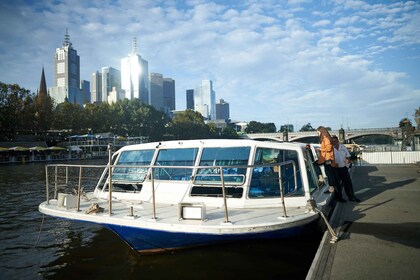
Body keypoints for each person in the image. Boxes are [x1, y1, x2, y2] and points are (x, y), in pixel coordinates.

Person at [316, 126, 346, 202]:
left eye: (318, 132)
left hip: (327, 159)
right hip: (328, 160)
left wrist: (320, 149)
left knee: (330, 175)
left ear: (321, 131)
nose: (317, 133)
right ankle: (334, 191)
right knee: (331, 176)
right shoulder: (327, 138)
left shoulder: (326, 138)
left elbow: (329, 148)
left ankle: (322, 180)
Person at [332, 135, 361, 202]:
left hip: (343, 168)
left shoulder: (343, 147)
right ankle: (339, 198)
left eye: (335, 141)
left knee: (348, 183)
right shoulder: (330, 149)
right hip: (335, 169)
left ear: (337, 141)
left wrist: (348, 160)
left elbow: (348, 156)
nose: (334, 143)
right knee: (337, 185)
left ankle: (351, 197)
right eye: (332, 142)